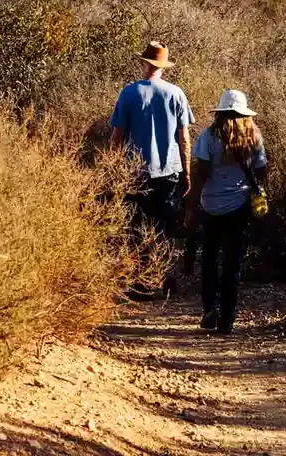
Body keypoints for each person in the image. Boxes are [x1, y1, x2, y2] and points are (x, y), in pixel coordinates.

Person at [185, 89, 269, 335]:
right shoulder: (254, 136)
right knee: (233, 263)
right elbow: (262, 171)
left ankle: (209, 308)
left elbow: (201, 174)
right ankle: (227, 319)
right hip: (240, 206)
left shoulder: (208, 137)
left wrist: (191, 207)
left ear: (220, 112)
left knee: (210, 258)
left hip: (210, 205)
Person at [107, 41, 194, 246]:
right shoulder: (176, 94)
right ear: (163, 67)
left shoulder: (129, 93)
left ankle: (139, 273)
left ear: (144, 63)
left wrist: (112, 169)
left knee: (136, 230)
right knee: (164, 229)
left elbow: (116, 137)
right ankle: (162, 274)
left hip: (136, 172)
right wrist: (187, 171)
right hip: (169, 171)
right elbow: (184, 139)